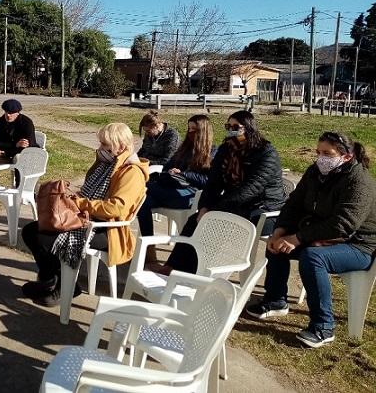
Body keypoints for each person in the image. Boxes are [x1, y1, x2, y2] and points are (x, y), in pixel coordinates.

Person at [246, 132, 376, 348]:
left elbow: (343, 224)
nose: (321, 158)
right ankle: (276, 299)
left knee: (313, 258)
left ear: (345, 156)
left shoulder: (359, 181)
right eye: (318, 152)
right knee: (276, 245)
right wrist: (280, 231)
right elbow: (293, 204)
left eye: (327, 153)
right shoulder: (316, 172)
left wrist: (298, 238)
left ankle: (323, 326)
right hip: (320, 232)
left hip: (358, 245)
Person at [21, 123, 149, 306]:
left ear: (120, 147)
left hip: (108, 231)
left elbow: (115, 208)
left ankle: (64, 286)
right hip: (85, 219)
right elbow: (89, 192)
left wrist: (79, 203)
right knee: (32, 230)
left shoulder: (131, 172)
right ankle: (53, 282)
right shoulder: (106, 165)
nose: (100, 148)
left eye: (105, 145)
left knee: (44, 239)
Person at [159, 110, 286, 274]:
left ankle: (197, 272)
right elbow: (214, 182)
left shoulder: (266, 153)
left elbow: (251, 189)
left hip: (263, 208)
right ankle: (173, 268)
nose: (231, 129)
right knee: (195, 220)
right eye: (228, 126)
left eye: (236, 126)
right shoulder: (227, 148)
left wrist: (216, 208)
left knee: (216, 223)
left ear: (248, 128)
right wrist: (204, 207)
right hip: (235, 203)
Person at [136, 114, 214, 263]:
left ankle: (149, 250)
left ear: (203, 132)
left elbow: (209, 181)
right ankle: (149, 249)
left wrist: (185, 174)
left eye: (194, 129)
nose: (190, 132)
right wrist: (170, 172)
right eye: (189, 128)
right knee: (143, 201)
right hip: (172, 187)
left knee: (143, 189)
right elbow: (167, 166)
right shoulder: (184, 149)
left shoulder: (212, 152)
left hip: (190, 194)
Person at [0, 99, 37, 186]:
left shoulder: (26, 123)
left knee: (18, 158)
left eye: (11, 113)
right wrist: (14, 146)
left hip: (23, 154)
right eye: (6, 112)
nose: (8, 115)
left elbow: (26, 146)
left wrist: (6, 151)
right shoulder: (0, 122)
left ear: (18, 113)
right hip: (5, 153)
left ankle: (19, 187)